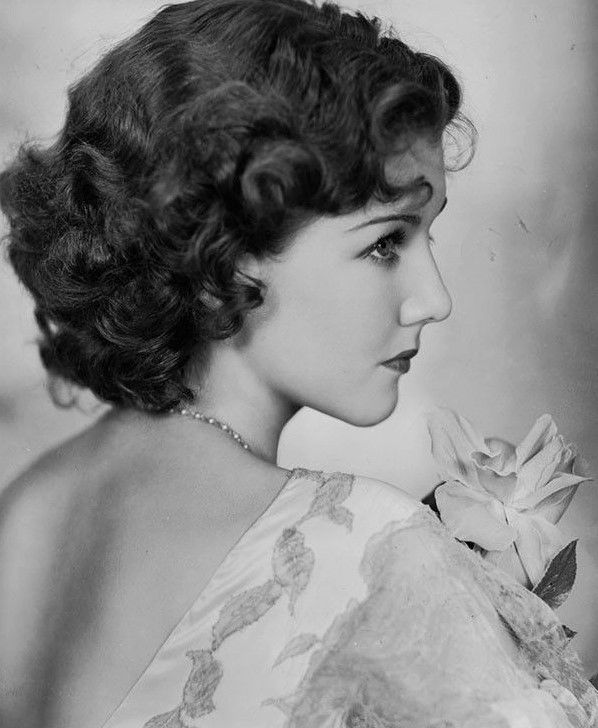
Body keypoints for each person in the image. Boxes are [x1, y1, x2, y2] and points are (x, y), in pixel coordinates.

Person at [0, 1, 596, 726]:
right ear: (231, 243)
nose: (433, 300)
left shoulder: (30, 506)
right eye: (384, 244)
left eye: (427, 237)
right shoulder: (362, 541)